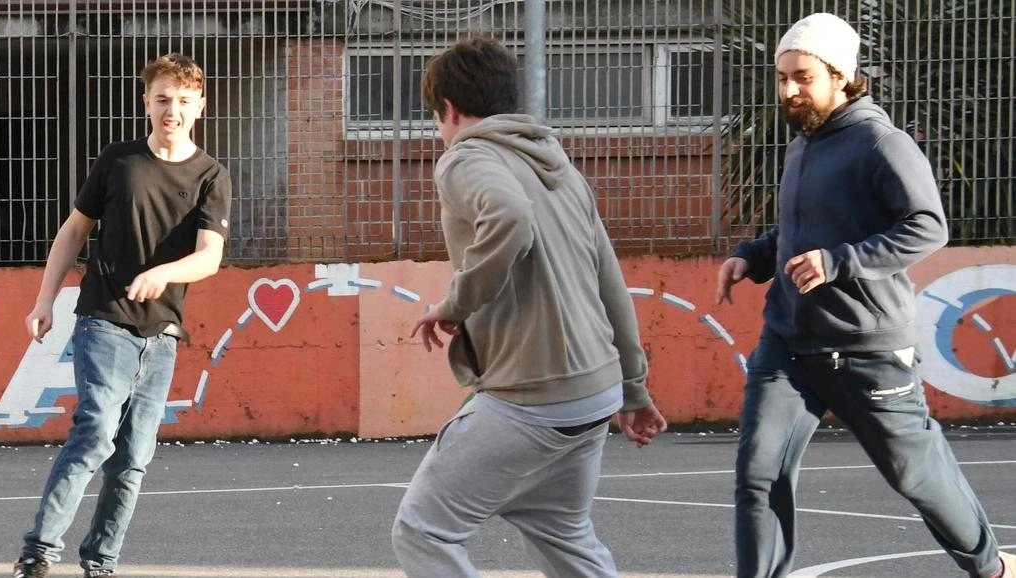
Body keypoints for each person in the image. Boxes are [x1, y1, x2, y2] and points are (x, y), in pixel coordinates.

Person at [716, 12, 1014, 578]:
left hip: (868, 349)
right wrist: (752, 256)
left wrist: (839, 263)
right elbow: (802, 231)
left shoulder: (881, 142)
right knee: (759, 474)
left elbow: (928, 225)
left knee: (913, 474)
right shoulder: (802, 146)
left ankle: (990, 566)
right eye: (782, 78)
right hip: (788, 343)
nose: (789, 90)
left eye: (802, 76)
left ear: (841, 74)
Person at [392, 37, 668, 578]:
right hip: (595, 391)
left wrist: (454, 303)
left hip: (534, 395)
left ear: (448, 110)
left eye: (436, 119)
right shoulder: (559, 165)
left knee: (424, 530)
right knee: (561, 533)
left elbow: (509, 216)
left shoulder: (465, 156)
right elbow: (610, 282)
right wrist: (632, 389)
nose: (439, 132)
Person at [14, 53, 231, 578]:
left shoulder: (210, 174)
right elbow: (72, 232)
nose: (171, 110)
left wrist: (166, 272)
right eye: (161, 100)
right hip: (104, 318)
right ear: (146, 103)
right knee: (95, 432)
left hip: (162, 334)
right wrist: (44, 300)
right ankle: (39, 552)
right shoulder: (118, 160)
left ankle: (101, 561)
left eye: (182, 101)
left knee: (132, 458)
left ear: (199, 106)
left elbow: (210, 256)